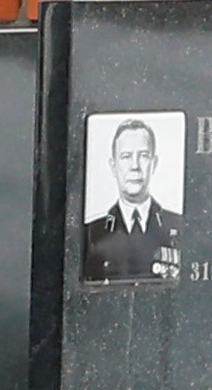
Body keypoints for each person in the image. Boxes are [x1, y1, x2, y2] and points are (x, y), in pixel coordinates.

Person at [76, 116, 179, 282]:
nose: (135, 166)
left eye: (143, 156)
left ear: (154, 163)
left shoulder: (179, 227)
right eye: (126, 156)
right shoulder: (91, 234)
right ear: (113, 166)